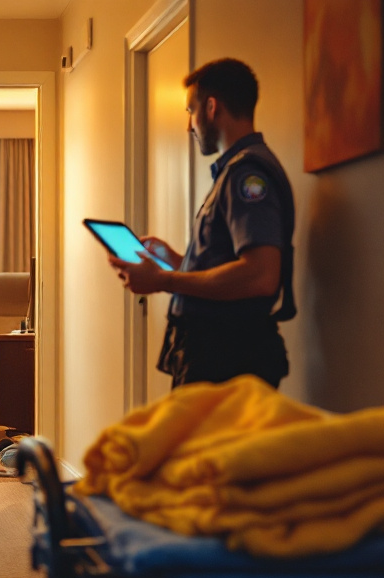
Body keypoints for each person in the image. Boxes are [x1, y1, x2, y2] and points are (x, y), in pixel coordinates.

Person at [110, 58, 296, 388]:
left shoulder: (246, 176)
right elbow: (229, 268)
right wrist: (177, 261)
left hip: (228, 359)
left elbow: (260, 275)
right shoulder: (232, 172)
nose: (189, 126)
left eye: (190, 111)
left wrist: (164, 280)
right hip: (217, 354)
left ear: (211, 107)